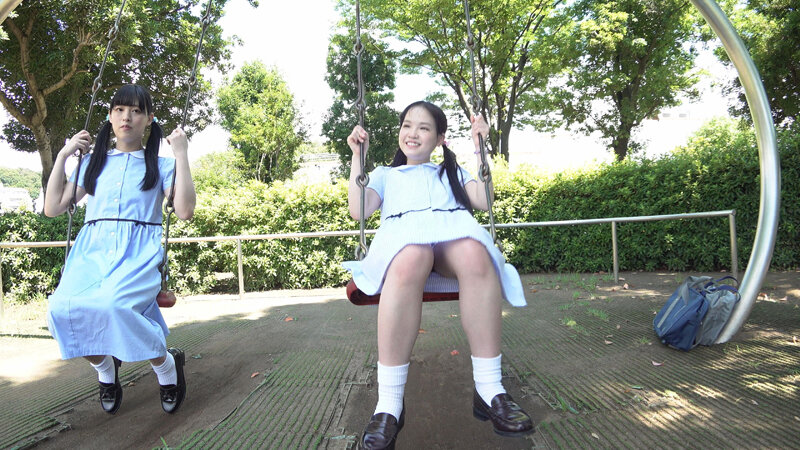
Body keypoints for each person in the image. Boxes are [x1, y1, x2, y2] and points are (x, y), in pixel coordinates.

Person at [344, 101, 533, 449]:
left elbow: (484, 199)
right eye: (407, 125)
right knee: (413, 253)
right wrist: (358, 155)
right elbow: (359, 209)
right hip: (404, 246)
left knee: (476, 253)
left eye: (424, 127)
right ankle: (389, 404)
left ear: (440, 138)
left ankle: (490, 389)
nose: (412, 133)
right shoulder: (386, 176)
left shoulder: (451, 173)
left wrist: (480, 147)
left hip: (450, 240)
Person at [44, 84, 196, 415]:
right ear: (111, 117)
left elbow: (184, 210)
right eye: (119, 109)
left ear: (149, 119)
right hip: (91, 252)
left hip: (137, 253)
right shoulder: (93, 163)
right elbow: (53, 207)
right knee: (61, 309)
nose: (127, 117)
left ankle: (166, 367)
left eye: (136, 111)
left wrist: (182, 155)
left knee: (115, 307)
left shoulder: (161, 166)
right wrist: (63, 155)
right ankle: (105, 368)